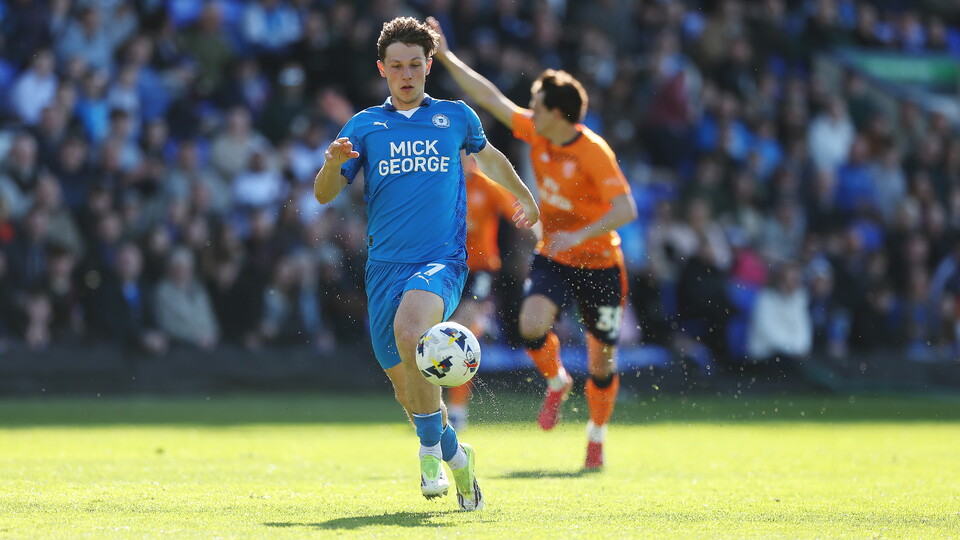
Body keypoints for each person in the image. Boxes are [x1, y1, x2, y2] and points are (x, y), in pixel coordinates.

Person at [314, 17, 539, 511]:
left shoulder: (456, 117)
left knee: (413, 331)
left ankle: (430, 451)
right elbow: (325, 194)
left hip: (442, 262)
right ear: (382, 70)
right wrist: (331, 165)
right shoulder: (365, 126)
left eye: (415, 64)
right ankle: (453, 455)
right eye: (396, 66)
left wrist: (525, 196)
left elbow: (492, 160)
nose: (407, 73)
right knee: (407, 389)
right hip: (382, 270)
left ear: (429, 66)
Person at [429, 17, 638, 469]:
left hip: (601, 262)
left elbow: (626, 210)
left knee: (602, 362)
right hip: (556, 256)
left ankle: (596, 436)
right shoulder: (537, 132)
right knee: (530, 324)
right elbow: (490, 97)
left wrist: (578, 233)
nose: (529, 111)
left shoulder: (593, 152)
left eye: (537, 106)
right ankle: (557, 379)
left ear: (559, 114)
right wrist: (445, 55)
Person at [447, 154, 529, 431]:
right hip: (447, 269)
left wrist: (542, 240)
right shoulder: (441, 185)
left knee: (459, 332)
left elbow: (520, 215)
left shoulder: (487, 187)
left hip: (480, 270)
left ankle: (457, 410)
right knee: (449, 334)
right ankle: (443, 406)